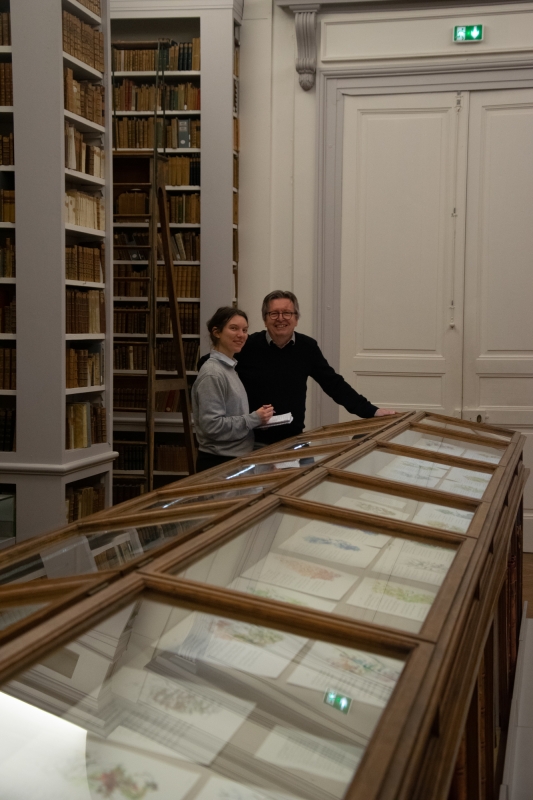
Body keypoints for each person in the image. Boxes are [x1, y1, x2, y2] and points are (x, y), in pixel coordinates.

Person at [211, 290, 396, 446]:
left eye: (287, 313)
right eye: (274, 314)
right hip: (252, 442)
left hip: (295, 441)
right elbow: (213, 364)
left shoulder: (307, 347)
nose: (280, 319)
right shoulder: (247, 345)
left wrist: (372, 411)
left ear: (296, 319)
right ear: (265, 320)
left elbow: (333, 384)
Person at [192, 306, 274, 472]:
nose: (241, 335)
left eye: (244, 330)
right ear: (216, 332)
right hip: (219, 464)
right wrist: (253, 419)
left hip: (234, 460)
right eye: (234, 328)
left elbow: (231, 417)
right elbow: (212, 427)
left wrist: (258, 420)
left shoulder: (229, 369)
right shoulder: (213, 373)